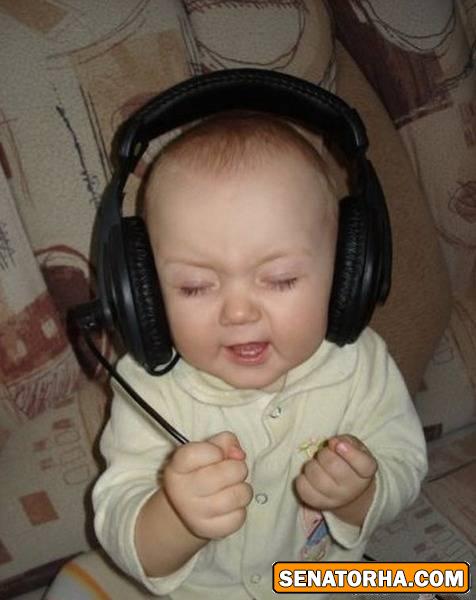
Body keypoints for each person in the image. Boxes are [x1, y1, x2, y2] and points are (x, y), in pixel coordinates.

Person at [92, 112, 427, 599]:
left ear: (348, 276)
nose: (239, 312)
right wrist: (177, 518)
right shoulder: (148, 388)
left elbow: (404, 462)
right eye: (195, 286)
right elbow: (120, 523)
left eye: (280, 279)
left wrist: (359, 495)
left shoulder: (361, 365)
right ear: (140, 294)